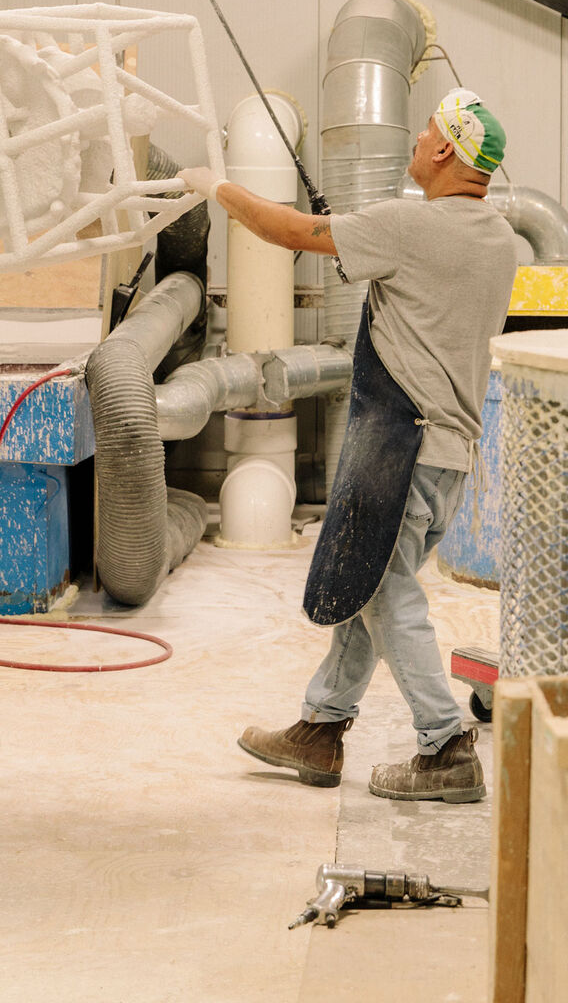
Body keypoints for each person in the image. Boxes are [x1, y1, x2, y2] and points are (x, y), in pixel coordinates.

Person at [177, 88, 518, 804]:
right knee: (370, 588)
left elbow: (289, 230)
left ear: (447, 151)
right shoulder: (497, 239)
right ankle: (321, 729)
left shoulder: (412, 226)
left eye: (428, 133)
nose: (418, 142)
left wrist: (218, 188)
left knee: (387, 592)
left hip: (405, 445)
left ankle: (447, 746)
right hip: (449, 456)